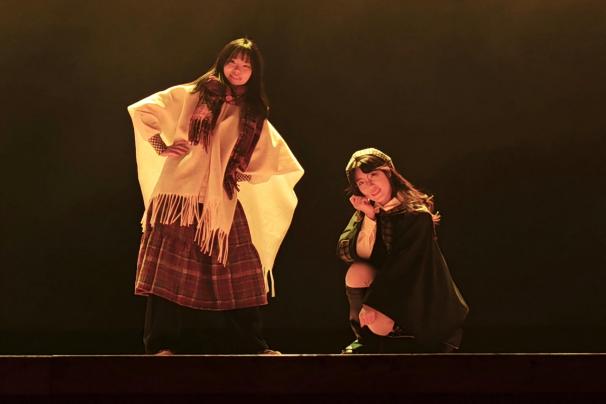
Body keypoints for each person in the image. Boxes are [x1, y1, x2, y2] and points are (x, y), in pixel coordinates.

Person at [127, 38, 303, 355]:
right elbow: (143, 110)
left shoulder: (252, 114)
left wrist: (239, 172)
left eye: (246, 65)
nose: (238, 69)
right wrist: (161, 146)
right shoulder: (194, 95)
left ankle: (253, 346)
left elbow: (275, 159)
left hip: (219, 201)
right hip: (179, 197)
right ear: (222, 62)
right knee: (167, 273)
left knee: (238, 270)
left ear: (254, 72)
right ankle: (161, 345)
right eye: (233, 62)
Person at [337, 148, 468, 353]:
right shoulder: (368, 211)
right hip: (388, 288)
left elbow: (403, 267)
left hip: (416, 294)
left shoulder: (417, 216)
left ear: (388, 173)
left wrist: (372, 304)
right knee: (357, 271)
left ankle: (405, 334)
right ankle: (366, 339)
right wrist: (370, 218)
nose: (369, 186)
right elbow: (348, 253)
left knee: (378, 321)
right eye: (361, 182)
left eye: (373, 175)